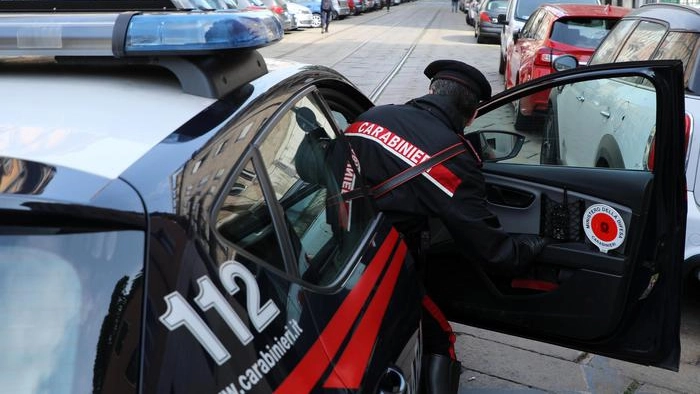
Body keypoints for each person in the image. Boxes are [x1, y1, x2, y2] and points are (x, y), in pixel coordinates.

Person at [330, 60, 548, 393]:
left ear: (432, 91)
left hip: (334, 246)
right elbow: (490, 248)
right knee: (439, 338)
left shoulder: (372, 117)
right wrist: (528, 249)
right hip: (379, 265)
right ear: (472, 114)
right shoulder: (453, 157)